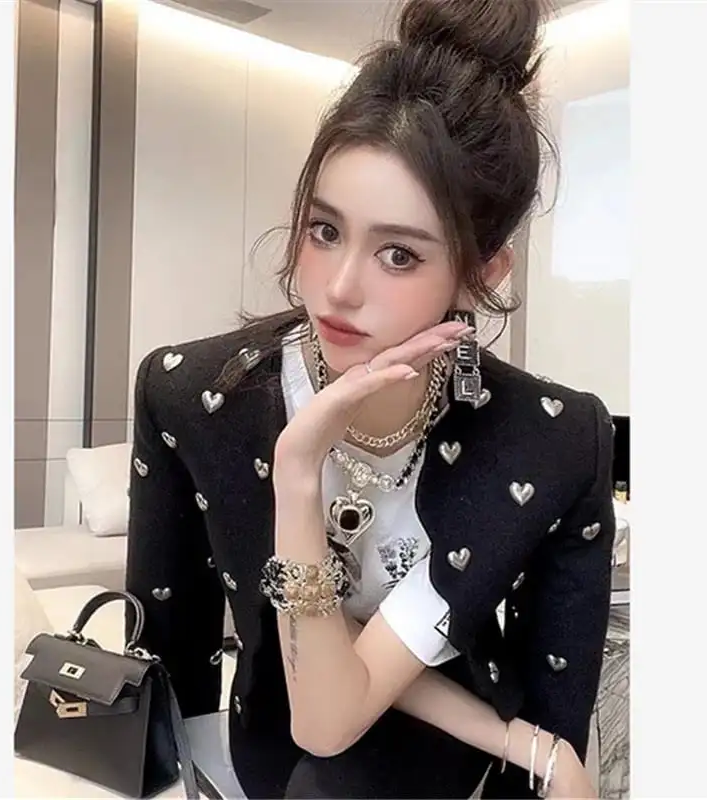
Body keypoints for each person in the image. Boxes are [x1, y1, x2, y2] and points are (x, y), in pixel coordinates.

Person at [125, 0, 615, 797]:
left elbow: (554, 706)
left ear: (481, 273)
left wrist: (525, 746)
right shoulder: (195, 396)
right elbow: (173, 669)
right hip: (275, 733)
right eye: (325, 231)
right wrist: (297, 471)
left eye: (398, 254)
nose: (338, 289)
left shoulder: (544, 440)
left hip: (444, 748)